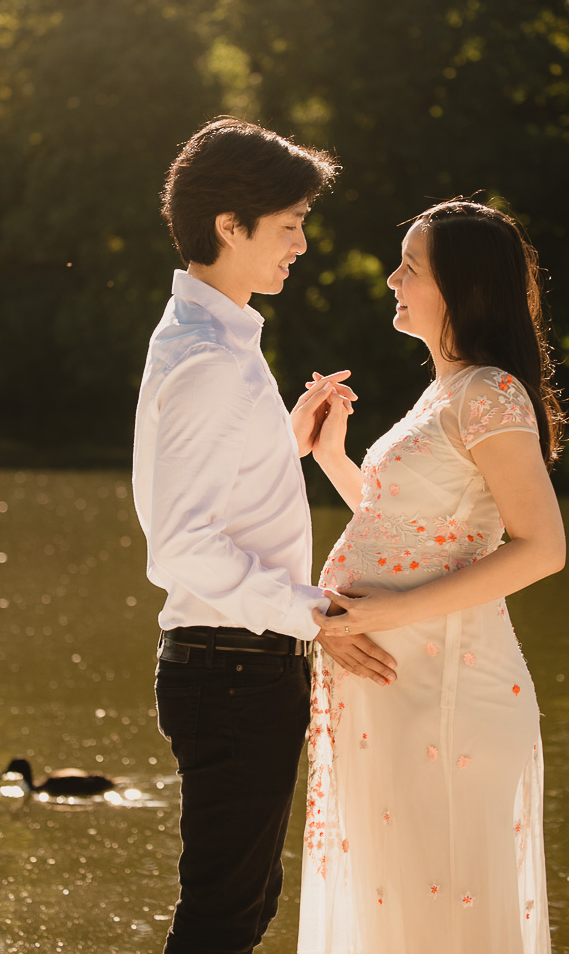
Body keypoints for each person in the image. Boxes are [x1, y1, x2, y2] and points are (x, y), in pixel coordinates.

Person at [131, 117, 397, 954]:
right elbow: (178, 545)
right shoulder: (210, 357)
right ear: (229, 226)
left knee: (240, 907)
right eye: (289, 227)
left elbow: (217, 498)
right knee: (223, 915)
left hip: (235, 664)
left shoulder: (215, 340)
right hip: (232, 666)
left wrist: (292, 440)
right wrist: (312, 610)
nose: (302, 246)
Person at [298, 199, 567, 954]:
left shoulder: (489, 395)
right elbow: (408, 532)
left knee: (442, 914)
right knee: (402, 911)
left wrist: (378, 617)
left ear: (463, 288)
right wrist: (331, 459)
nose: (391, 279)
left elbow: (541, 548)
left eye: (410, 267)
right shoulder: (442, 395)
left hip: (446, 691)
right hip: (395, 683)